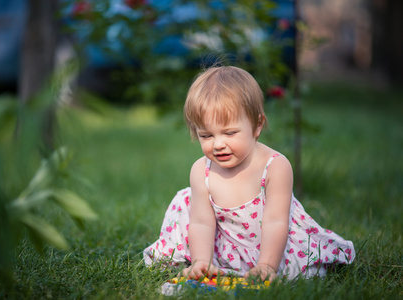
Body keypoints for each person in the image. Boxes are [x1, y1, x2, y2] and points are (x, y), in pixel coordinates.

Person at [143, 66, 355, 282]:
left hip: (273, 243)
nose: (218, 144)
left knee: (304, 274)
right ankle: (211, 262)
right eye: (206, 135)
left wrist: (267, 265)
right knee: (186, 202)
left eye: (230, 133)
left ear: (257, 125)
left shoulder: (275, 166)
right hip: (224, 242)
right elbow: (201, 223)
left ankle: (266, 266)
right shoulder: (201, 170)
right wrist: (201, 261)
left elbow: (275, 221)